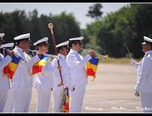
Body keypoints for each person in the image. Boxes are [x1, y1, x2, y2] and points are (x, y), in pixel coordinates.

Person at [4, 33, 42, 112]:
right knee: (18, 109)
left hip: (27, 85)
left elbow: (30, 68)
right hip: (19, 85)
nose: (29, 45)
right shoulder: (15, 53)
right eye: (28, 43)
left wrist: (38, 59)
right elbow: (25, 66)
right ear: (21, 43)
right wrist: (36, 57)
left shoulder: (25, 55)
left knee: (25, 110)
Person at [66, 36, 95, 112]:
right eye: (79, 44)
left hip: (81, 83)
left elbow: (83, 64)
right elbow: (79, 64)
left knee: (79, 105)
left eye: (81, 44)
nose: (81, 46)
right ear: (73, 45)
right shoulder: (71, 55)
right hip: (75, 84)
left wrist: (92, 57)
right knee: (74, 105)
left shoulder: (78, 55)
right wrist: (88, 56)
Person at [32, 37, 54, 112]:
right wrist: (56, 68)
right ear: (40, 47)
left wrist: (51, 84)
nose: (47, 47)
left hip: (46, 84)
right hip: (42, 84)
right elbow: (43, 71)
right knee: (41, 106)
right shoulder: (39, 57)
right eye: (45, 46)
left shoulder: (45, 56)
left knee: (45, 106)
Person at [51, 40, 71, 112]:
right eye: (66, 49)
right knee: (57, 106)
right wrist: (58, 83)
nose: (68, 50)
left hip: (64, 87)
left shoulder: (64, 60)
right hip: (59, 86)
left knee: (62, 107)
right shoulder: (57, 60)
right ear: (61, 50)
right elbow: (52, 72)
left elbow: (67, 74)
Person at [134, 36, 152, 112]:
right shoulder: (149, 56)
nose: (142, 46)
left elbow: (143, 75)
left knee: (147, 111)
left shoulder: (147, 57)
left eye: (144, 45)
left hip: (146, 90)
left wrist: (137, 88)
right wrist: (137, 65)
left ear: (148, 46)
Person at [0, 33, 15, 112]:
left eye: (1, 42)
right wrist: (9, 57)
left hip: (4, 85)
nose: (1, 44)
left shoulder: (0, 55)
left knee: (2, 109)